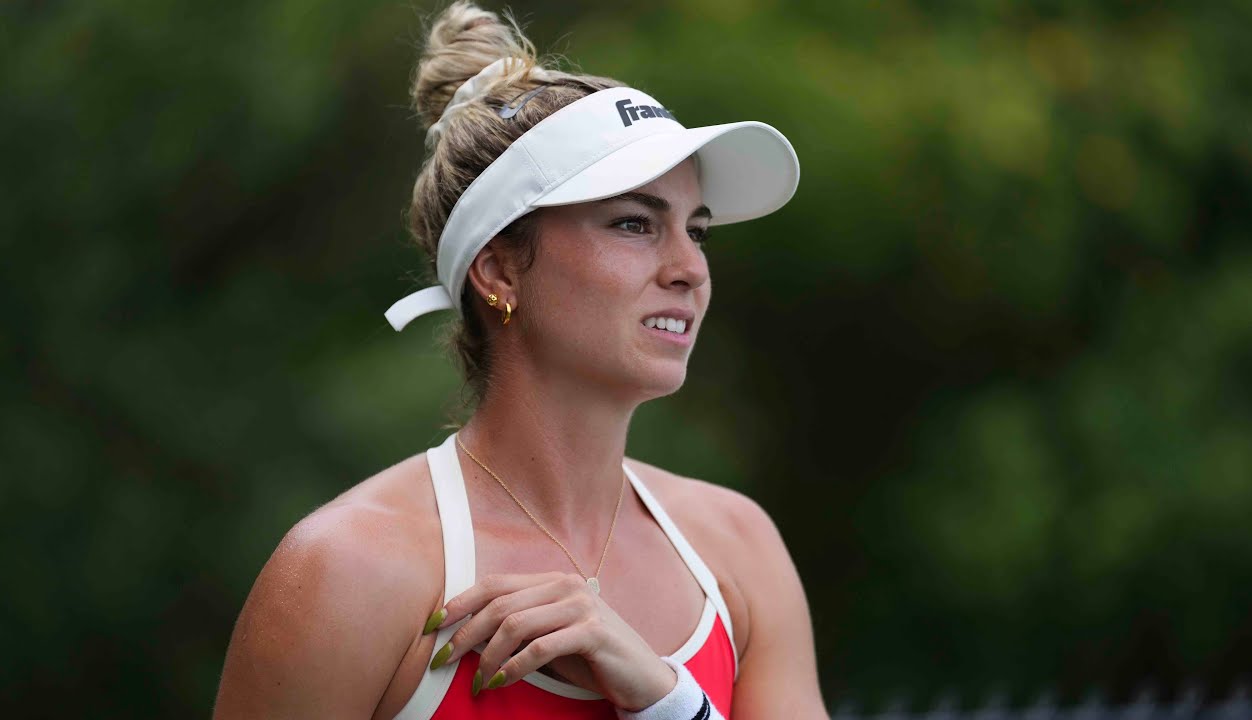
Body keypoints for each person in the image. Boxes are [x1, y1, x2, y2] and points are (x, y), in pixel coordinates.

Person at [212, 2, 825, 717]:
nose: (690, 268)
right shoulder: (347, 571)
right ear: (499, 270)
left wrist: (665, 701)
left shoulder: (737, 545)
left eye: (698, 231)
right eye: (635, 223)